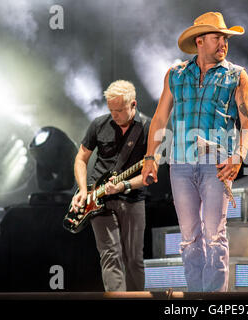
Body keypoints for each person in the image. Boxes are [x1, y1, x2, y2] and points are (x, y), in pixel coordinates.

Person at [141, 12, 248, 292]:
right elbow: (159, 118)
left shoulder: (236, 76)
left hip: (217, 165)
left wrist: (239, 156)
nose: (224, 43)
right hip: (180, 165)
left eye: (226, 38)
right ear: (200, 40)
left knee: (214, 236)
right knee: (189, 238)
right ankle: (195, 297)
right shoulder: (176, 74)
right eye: (218, 37)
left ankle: (214, 301)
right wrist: (150, 157)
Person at [70, 80, 149, 291]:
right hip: (97, 199)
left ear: (133, 104)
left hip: (132, 198)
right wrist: (84, 191)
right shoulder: (98, 124)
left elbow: (150, 174)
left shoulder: (149, 127)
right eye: (111, 109)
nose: (114, 115)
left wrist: (123, 186)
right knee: (110, 256)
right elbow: (81, 159)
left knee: (133, 259)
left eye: (120, 110)